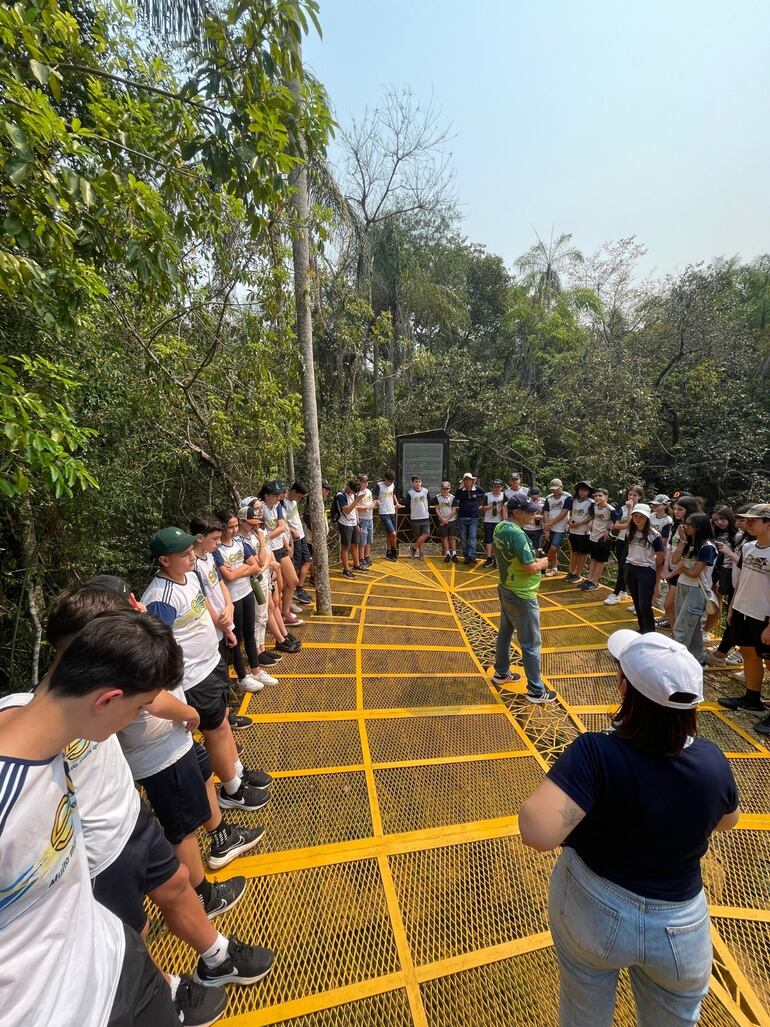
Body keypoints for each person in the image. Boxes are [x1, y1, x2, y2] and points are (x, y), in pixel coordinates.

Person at [45, 586, 271, 1001]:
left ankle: (216, 957)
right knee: (133, 932)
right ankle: (159, 993)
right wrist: (184, 712)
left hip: (132, 817)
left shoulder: (91, 701)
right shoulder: (36, 737)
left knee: (176, 885)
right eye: (138, 702)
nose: (139, 710)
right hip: (101, 851)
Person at [519, 629, 740, 1027]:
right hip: (681, 927)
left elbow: (538, 832)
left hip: (595, 910)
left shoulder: (596, 752)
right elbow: (728, 821)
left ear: (626, 688)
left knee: (584, 1012)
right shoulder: (712, 761)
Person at [0, 611, 184, 1027]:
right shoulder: (6, 799)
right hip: (56, 1010)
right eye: (138, 708)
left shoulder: (49, 740)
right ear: (106, 700)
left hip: (114, 956)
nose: (136, 719)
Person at [142, 527, 272, 814]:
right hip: (193, 678)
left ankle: (236, 770)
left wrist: (225, 631)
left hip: (211, 663)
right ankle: (232, 790)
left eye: (191, 551)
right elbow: (157, 648)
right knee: (214, 730)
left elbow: (202, 611)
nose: (192, 557)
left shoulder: (188, 577)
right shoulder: (160, 599)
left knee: (223, 722)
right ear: (164, 560)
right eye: (184, 554)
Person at [491, 495, 557, 703]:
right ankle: (536, 691)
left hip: (506, 588)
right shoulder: (518, 535)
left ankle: (501, 672)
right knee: (530, 643)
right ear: (517, 513)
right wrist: (542, 563)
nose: (533, 515)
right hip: (522, 594)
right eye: (529, 511)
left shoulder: (500, 527)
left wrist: (533, 561)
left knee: (505, 632)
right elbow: (529, 568)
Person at [718, 503, 770, 731]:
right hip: (743, 610)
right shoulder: (748, 548)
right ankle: (752, 699)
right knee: (748, 653)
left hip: (765, 616)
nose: (747, 524)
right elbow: (743, 580)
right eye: (746, 520)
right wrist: (732, 608)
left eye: (753, 521)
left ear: (768, 522)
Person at [213, 510, 264, 693]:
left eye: (236, 526)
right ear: (222, 527)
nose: (235, 530)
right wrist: (245, 567)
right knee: (237, 638)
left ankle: (256, 670)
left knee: (249, 633)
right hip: (231, 598)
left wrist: (239, 570)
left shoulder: (241, 543)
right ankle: (242, 676)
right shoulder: (217, 551)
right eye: (231, 527)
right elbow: (228, 577)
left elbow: (257, 566)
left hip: (247, 592)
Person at [669, 512, 717, 664]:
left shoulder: (707, 547)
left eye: (691, 525)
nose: (687, 527)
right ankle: (698, 659)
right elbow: (675, 559)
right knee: (692, 626)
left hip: (697, 590)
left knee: (681, 628)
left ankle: (676, 661)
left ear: (700, 527)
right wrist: (683, 541)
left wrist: (681, 567)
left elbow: (695, 573)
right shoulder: (689, 543)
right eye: (686, 524)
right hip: (683, 585)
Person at [656, 496, 700, 628]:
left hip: (683, 571)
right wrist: (665, 567)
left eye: (680, 509)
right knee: (671, 604)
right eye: (674, 508)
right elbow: (669, 547)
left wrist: (671, 571)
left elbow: (688, 556)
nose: (676, 511)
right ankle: (673, 628)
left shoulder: (693, 529)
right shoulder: (675, 526)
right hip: (672, 568)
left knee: (669, 604)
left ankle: (677, 634)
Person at [624, 504, 666, 634]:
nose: (638, 519)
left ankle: (650, 630)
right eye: (636, 516)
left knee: (644, 603)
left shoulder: (654, 535)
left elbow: (661, 555)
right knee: (636, 601)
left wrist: (654, 568)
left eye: (642, 517)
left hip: (646, 570)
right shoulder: (628, 531)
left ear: (647, 518)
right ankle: (642, 628)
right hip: (630, 567)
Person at [603, 485, 644, 605]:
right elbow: (617, 524)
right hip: (621, 538)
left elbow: (631, 525)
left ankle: (616, 593)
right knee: (622, 566)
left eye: (635, 495)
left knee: (624, 566)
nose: (631, 497)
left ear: (640, 497)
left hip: (632, 541)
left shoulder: (641, 509)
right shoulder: (623, 508)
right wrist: (624, 524)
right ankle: (622, 591)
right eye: (630, 494)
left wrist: (630, 510)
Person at [580, 488, 618, 592]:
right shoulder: (594, 507)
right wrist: (591, 522)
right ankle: (589, 579)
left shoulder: (611, 509)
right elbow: (593, 516)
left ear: (606, 497)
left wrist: (608, 529)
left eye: (600, 495)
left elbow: (617, 522)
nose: (597, 498)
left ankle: (594, 582)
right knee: (593, 559)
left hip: (603, 538)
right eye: (595, 496)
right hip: (593, 536)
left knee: (600, 561)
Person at [283, 482, 314, 601]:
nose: (299, 499)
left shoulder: (294, 501)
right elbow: (281, 521)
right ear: (293, 491)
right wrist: (291, 531)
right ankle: (292, 589)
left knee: (307, 560)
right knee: (295, 564)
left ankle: (299, 588)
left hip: (301, 535)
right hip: (293, 538)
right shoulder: (283, 502)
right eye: (299, 496)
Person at [334, 480, 364, 578]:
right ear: (349, 487)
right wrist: (357, 500)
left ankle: (357, 565)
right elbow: (347, 510)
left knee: (355, 544)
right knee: (345, 546)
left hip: (354, 523)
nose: (353, 493)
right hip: (345, 523)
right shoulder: (340, 495)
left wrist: (358, 523)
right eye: (353, 491)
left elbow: (355, 509)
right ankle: (346, 569)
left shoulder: (354, 495)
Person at [565, 480, 595, 583]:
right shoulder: (573, 500)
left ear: (589, 492)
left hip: (584, 532)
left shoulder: (591, 502)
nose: (582, 492)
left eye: (585, 490)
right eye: (581, 490)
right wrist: (569, 520)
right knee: (574, 552)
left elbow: (592, 516)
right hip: (573, 530)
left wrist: (580, 523)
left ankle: (578, 574)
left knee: (582, 554)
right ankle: (571, 572)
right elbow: (569, 512)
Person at [542, 478, 573, 576]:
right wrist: (547, 526)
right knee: (550, 547)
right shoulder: (549, 498)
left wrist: (550, 524)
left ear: (561, 487)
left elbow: (564, 513)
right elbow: (546, 512)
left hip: (561, 527)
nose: (554, 491)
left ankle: (543, 566)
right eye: (552, 489)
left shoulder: (567, 497)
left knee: (554, 547)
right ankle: (554, 567)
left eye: (556, 488)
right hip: (550, 527)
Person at [454, 472, 485, 565]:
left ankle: (472, 556)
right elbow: (455, 499)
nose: (468, 481)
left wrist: (480, 506)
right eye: (466, 480)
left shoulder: (478, 489)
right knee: (463, 538)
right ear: (463, 481)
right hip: (462, 517)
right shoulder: (460, 491)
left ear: (472, 481)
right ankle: (466, 556)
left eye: (469, 479)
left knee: (472, 537)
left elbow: (484, 495)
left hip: (473, 517)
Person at [373, 469, 401, 561]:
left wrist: (396, 503)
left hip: (392, 511)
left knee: (391, 534)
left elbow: (393, 494)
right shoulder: (379, 486)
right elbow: (375, 497)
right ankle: (394, 551)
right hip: (384, 512)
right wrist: (376, 502)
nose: (390, 483)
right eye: (388, 481)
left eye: (391, 481)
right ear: (385, 479)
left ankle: (388, 552)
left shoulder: (393, 485)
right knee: (393, 533)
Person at [481, 479, 506, 568]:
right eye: (494, 486)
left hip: (499, 521)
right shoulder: (488, 495)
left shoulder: (504, 496)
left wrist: (504, 521)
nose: (496, 488)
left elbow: (504, 508)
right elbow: (483, 508)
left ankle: (497, 558)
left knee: (498, 541)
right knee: (489, 540)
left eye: (498, 487)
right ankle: (489, 558)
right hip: (488, 520)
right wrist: (492, 506)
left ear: (502, 487)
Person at [406, 474, 432, 559]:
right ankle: (421, 552)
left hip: (425, 517)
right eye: (416, 482)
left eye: (419, 481)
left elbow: (429, 503)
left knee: (426, 534)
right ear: (413, 483)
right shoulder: (410, 493)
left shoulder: (426, 491)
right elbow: (407, 506)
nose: (418, 483)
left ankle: (414, 548)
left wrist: (425, 511)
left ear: (421, 482)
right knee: (418, 536)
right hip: (415, 518)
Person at [434, 480, 459, 562]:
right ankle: (447, 553)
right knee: (444, 537)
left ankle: (454, 554)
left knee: (452, 537)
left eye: (447, 489)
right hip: (442, 519)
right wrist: (442, 518)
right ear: (441, 489)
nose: (445, 490)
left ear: (449, 489)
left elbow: (454, 510)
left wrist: (446, 519)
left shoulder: (452, 498)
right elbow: (437, 509)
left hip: (451, 520)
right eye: (444, 489)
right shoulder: (437, 497)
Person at [355, 474, 376, 567]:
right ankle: (361, 557)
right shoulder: (357, 493)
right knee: (362, 540)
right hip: (362, 519)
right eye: (363, 481)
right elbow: (354, 506)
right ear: (359, 482)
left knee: (369, 539)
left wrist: (374, 503)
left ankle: (367, 556)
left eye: (366, 481)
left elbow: (371, 503)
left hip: (370, 518)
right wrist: (364, 507)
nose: (365, 483)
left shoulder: (368, 492)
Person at [523, 486, 545, 552]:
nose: (534, 497)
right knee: (526, 547)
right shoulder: (526, 501)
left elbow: (548, 514)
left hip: (538, 528)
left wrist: (541, 517)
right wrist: (534, 516)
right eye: (532, 495)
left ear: (539, 494)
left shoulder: (544, 501)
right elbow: (522, 514)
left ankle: (535, 561)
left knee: (536, 548)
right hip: (526, 528)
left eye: (536, 495)